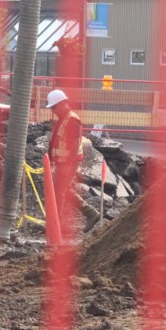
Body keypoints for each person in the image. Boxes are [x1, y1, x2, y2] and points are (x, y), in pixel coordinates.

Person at [46, 89, 100, 229]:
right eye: (51, 107)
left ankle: (58, 223)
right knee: (62, 189)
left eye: (54, 106)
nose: (53, 110)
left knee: (60, 190)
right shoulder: (64, 119)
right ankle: (59, 221)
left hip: (68, 162)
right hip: (62, 162)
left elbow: (74, 144)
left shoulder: (72, 119)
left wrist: (68, 165)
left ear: (63, 103)